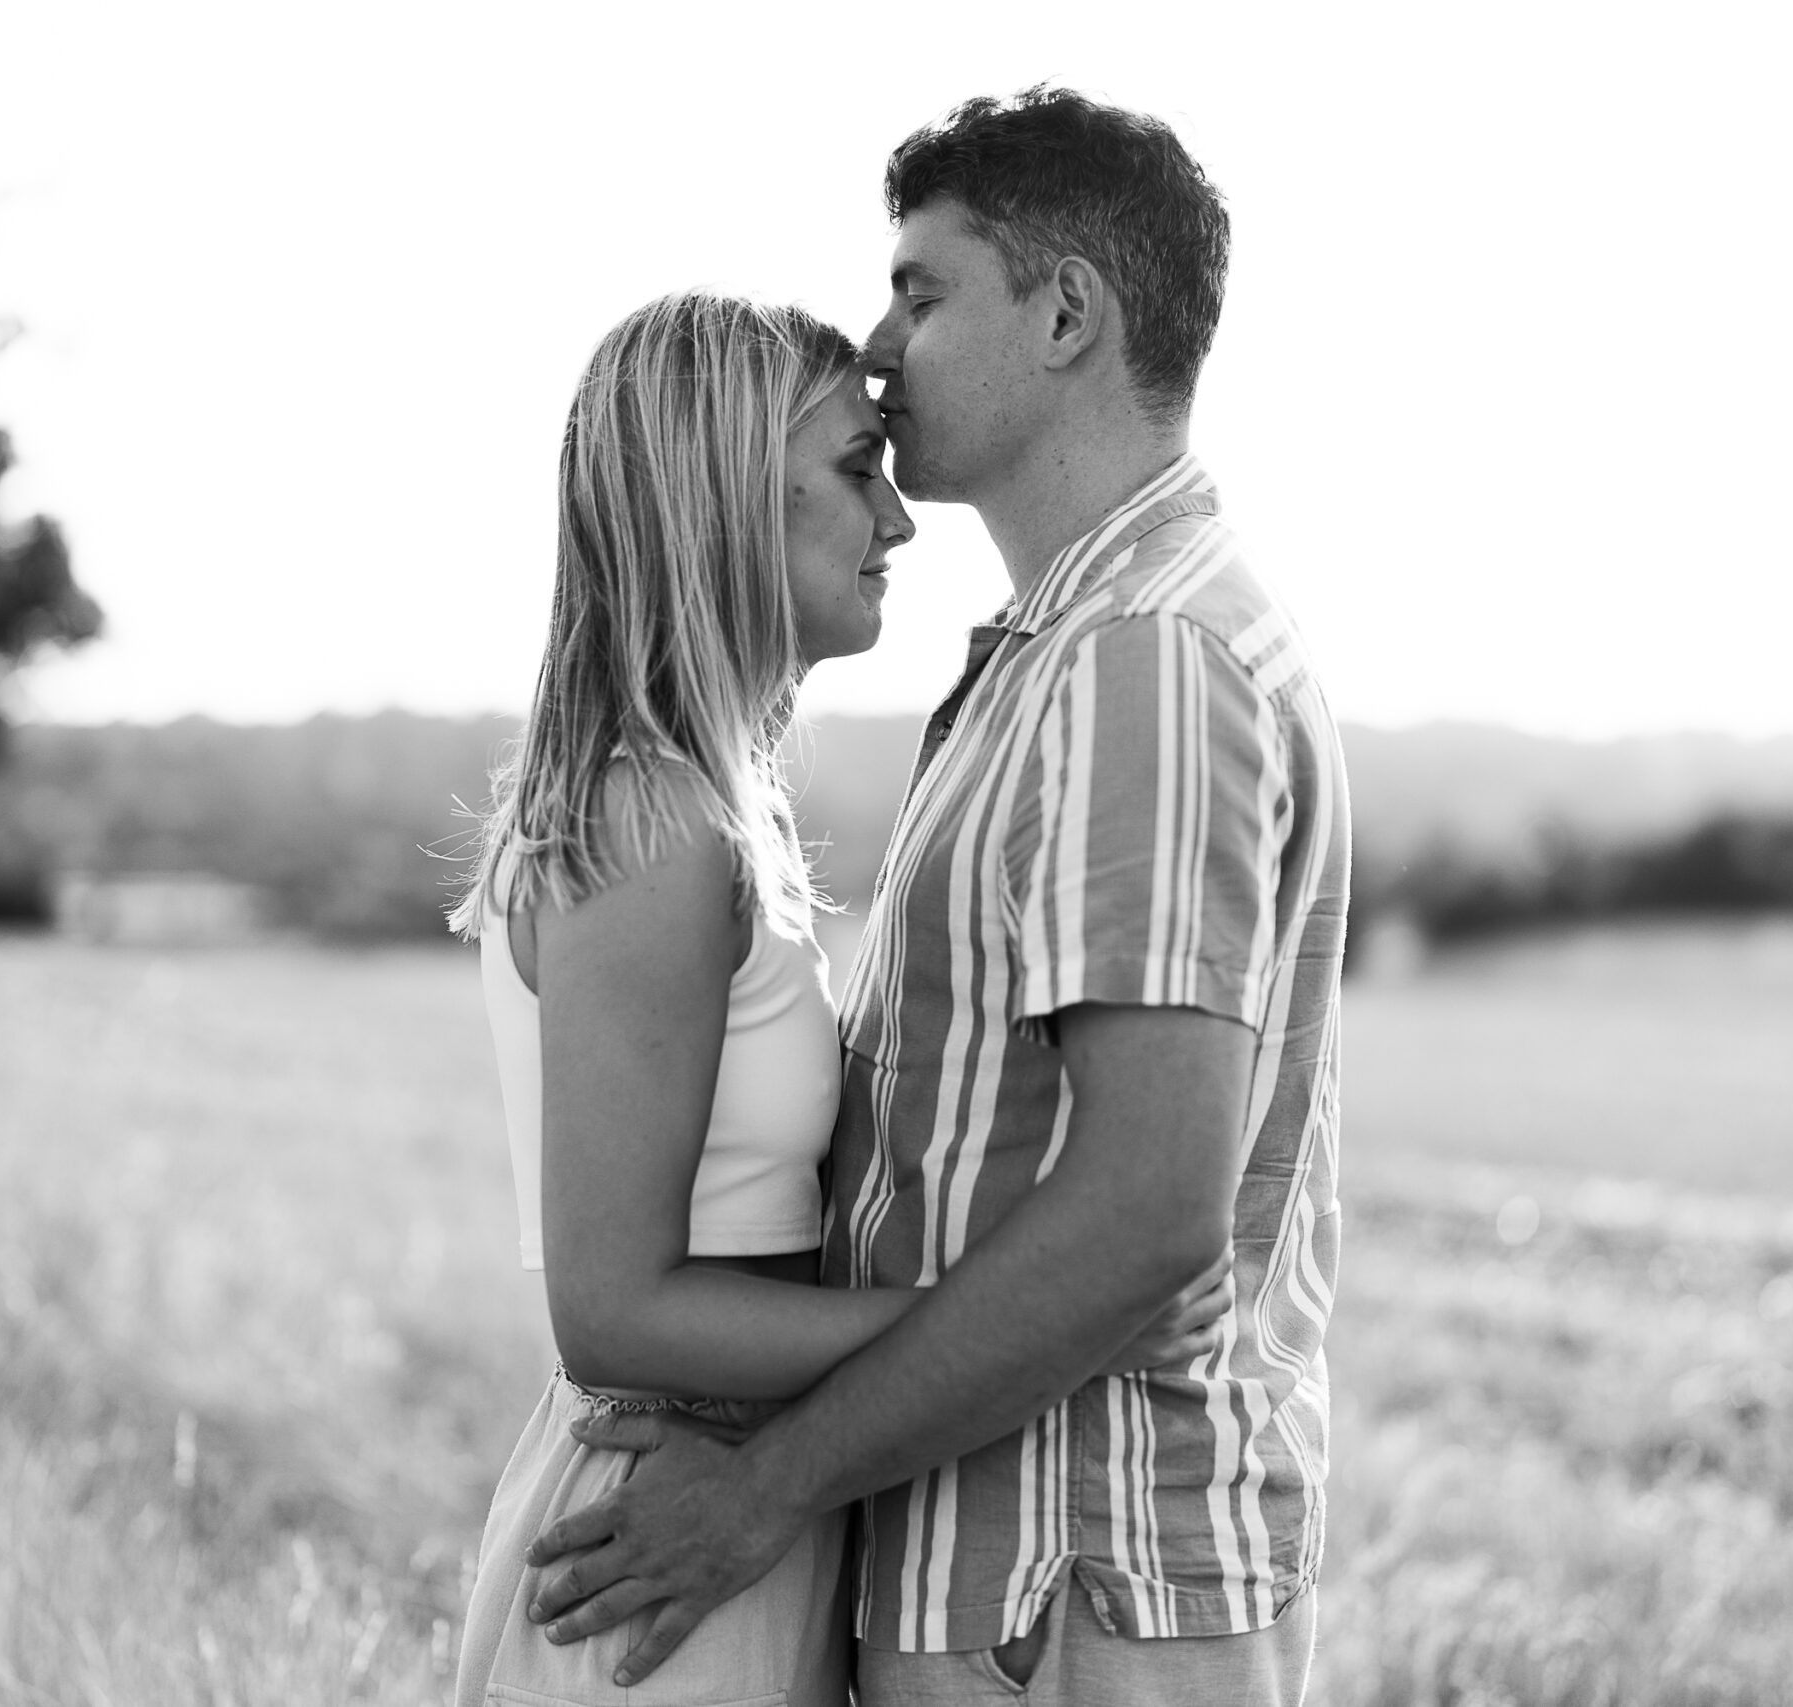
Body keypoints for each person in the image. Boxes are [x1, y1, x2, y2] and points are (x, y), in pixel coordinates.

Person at [521, 90, 1353, 1707]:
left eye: (921, 288)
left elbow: (1149, 1209)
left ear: (1063, 313)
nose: (882, 347)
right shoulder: (1069, 653)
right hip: (995, 1561)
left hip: (1070, 1571)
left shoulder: (1146, 663)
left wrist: (766, 1483)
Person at [449, 290, 1234, 1707]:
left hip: (736, 1503)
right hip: (666, 1526)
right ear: (723, 503)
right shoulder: (652, 826)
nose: (900, 518)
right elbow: (612, 1310)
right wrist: (1016, 1333)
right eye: (855, 471)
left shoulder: (693, 808)